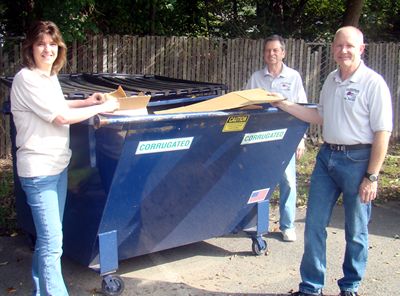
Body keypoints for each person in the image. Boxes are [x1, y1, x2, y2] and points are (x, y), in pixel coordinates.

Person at [272, 26, 393, 296]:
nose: (343, 50)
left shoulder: (373, 84)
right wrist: (284, 104)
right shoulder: (331, 80)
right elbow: (319, 117)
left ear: (361, 49)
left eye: (350, 46)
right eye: (339, 45)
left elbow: (382, 132)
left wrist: (372, 176)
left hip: (359, 160)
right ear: (333, 49)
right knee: (314, 223)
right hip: (327, 158)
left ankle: (349, 287)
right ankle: (311, 287)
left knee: (356, 229)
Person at [10, 20, 119, 295]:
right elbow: (60, 117)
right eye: (41, 44)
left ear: (59, 48)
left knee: (50, 240)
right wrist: (103, 109)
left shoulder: (48, 77)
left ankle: (40, 291)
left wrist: (88, 101)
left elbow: (59, 104)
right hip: (39, 171)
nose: (48, 50)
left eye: (52, 44)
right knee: (52, 242)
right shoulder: (26, 78)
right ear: (30, 48)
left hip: (57, 167)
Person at [246, 34, 307, 242]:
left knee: (288, 181)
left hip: (286, 140)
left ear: (283, 53)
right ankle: (253, 223)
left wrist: (300, 140)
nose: (271, 54)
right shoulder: (256, 78)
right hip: (261, 140)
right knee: (257, 182)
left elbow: (303, 109)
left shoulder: (293, 77)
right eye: (267, 50)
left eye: (275, 50)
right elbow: (246, 107)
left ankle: (287, 225)